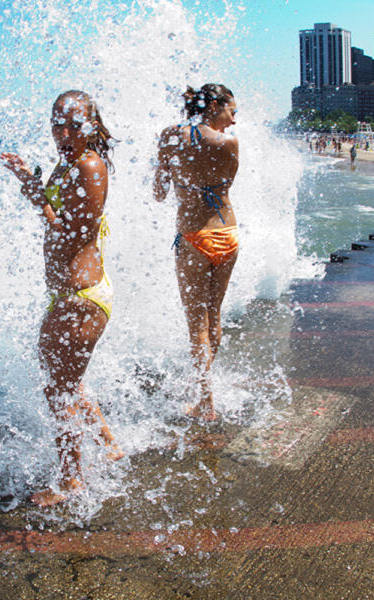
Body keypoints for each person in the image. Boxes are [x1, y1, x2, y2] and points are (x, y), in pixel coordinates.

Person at [1, 90, 122, 507]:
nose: (65, 132)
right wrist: (32, 186)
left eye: (75, 125)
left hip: (81, 298)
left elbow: (74, 232)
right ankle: (109, 444)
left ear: (92, 126)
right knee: (67, 379)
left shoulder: (89, 165)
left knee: (59, 388)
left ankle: (72, 481)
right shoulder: (67, 162)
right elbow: (58, 216)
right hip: (70, 295)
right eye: (58, 123)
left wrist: (39, 200)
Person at [153, 84, 239, 422]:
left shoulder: (171, 136)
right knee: (214, 316)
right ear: (216, 106)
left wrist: (172, 171)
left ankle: (206, 402)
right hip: (227, 234)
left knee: (196, 325)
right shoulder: (229, 143)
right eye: (232, 112)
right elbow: (226, 184)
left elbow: (159, 192)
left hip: (193, 238)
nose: (233, 121)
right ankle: (204, 389)